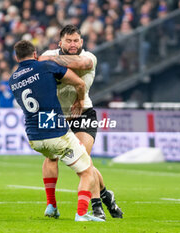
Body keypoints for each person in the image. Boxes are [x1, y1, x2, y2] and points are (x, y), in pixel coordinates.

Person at [9, 40, 104, 222]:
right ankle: (82, 214)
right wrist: (80, 100)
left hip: (34, 137)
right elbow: (79, 83)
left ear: (16, 57)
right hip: (56, 132)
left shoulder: (12, 79)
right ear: (35, 54)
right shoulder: (46, 66)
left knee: (51, 157)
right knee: (87, 170)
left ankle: (51, 206)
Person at [38, 25, 123, 220]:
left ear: (82, 42)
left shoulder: (89, 57)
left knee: (83, 159)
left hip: (83, 113)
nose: (73, 44)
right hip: (56, 114)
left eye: (76, 40)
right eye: (68, 40)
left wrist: (48, 61)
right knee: (51, 157)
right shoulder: (48, 53)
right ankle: (53, 204)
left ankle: (96, 206)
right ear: (60, 42)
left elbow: (82, 64)